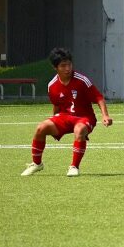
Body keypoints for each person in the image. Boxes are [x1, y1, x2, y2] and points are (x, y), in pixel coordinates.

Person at [21, 47, 113, 177]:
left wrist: (105, 116)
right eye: (63, 66)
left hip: (84, 117)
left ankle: (74, 167)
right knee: (41, 128)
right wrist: (54, 122)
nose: (67, 68)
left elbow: (98, 97)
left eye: (69, 64)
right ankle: (37, 164)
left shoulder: (82, 80)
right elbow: (56, 106)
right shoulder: (52, 85)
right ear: (55, 68)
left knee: (79, 130)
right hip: (64, 117)